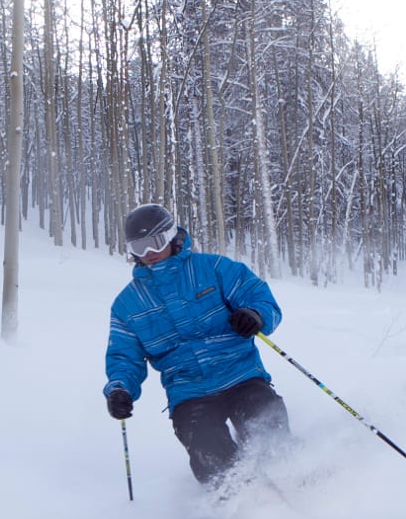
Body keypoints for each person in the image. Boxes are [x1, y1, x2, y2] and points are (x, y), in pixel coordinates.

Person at [103, 203, 290, 486]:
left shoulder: (214, 269)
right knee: (208, 449)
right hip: (189, 392)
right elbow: (124, 356)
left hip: (241, 375)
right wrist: (120, 388)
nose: (148, 253)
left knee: (267, 429)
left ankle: (295, 481)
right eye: (138, 247)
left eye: (153, 242)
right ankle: (243, 507)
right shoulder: (127, 304)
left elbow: (259, 298)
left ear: (170, 235)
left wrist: (256, 316)